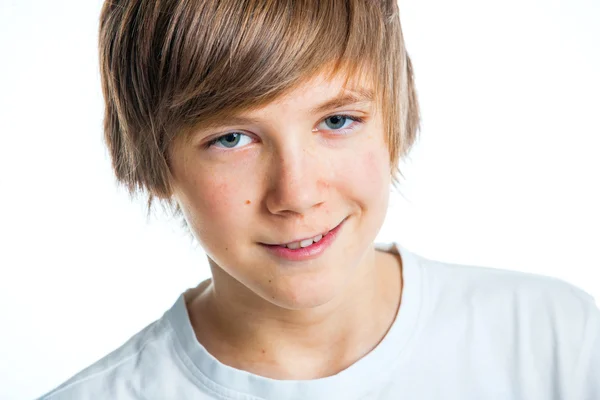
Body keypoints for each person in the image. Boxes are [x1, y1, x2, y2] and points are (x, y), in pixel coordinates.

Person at [38, 0, 599, 399]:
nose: (298, 194)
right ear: (153, 162)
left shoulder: (554, 341)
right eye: (231, 138)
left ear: (395, 116)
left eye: (337, 120)